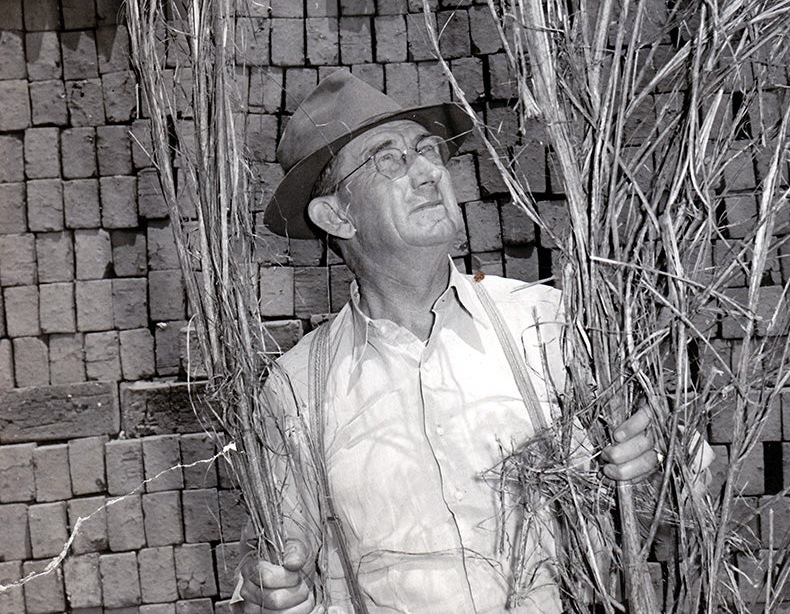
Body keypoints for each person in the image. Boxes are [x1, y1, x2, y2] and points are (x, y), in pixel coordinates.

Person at [235, 70, 662, 614]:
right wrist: (272, 595)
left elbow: (675, 484)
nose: (429, 172)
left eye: (428, 150)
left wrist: (654, 458)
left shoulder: (548, 324)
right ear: (335, 215)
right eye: (388, 158)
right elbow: (278, 574)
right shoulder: (296, 390)